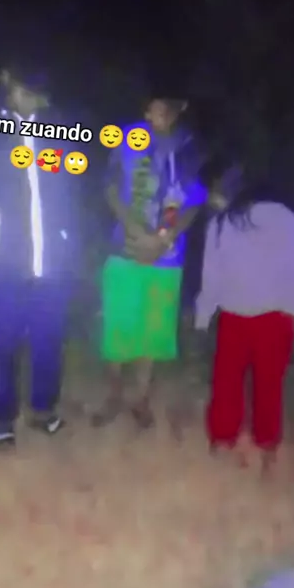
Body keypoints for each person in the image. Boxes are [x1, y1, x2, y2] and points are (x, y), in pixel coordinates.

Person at [0, 64, 81, 448]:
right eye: (22, 90)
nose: (28, 100)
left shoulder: (57, 131)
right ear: (8, 85)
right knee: (1, 344)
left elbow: (69, 192)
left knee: (48, 340)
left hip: (51, 264)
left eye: (35, 94)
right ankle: (3, 417)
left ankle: (43, 409)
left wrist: (69, 245)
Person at [93, 95, 205, 429]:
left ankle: (140, 399)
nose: (161, 113)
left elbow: (194, 201)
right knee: (118, 327)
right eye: (155, 106)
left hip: (166, 256)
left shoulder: (188, 148)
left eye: (168, 107)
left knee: (152, 331)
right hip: (125, 248)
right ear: (145, 109)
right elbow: (109, 187)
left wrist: (163, 239)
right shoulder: (128, 139)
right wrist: (134, 228)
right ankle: (114, 395)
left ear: (178, 110)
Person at [195, 169, 294, 452]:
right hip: (270, 317)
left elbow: (211, 277)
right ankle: (264, 442)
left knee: (229, 382)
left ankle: (226, 439)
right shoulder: (280, 216)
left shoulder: (225, 223)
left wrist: (203, 317)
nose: (211, 198)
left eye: (213, 191)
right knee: (267, 384)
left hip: (242, 316)